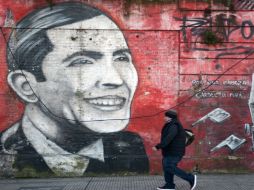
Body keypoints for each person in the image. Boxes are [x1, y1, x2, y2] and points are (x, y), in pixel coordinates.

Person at [0, 2, 149, 177]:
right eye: (82, 61)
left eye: (121, 58)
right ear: (26, 86)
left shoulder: (130, 145)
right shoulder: (7, 156)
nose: (115, 80)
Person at [153, 110, 197, 190]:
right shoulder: (171, 124)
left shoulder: (174, 125)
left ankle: (190, 178)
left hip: (174, 152)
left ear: (170, 117)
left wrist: (158, 146)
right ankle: (169, 185)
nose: (164, 117)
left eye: (166, 116)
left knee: (169, 166)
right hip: (169, 151)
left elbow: (169, 138)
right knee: (167, 167)